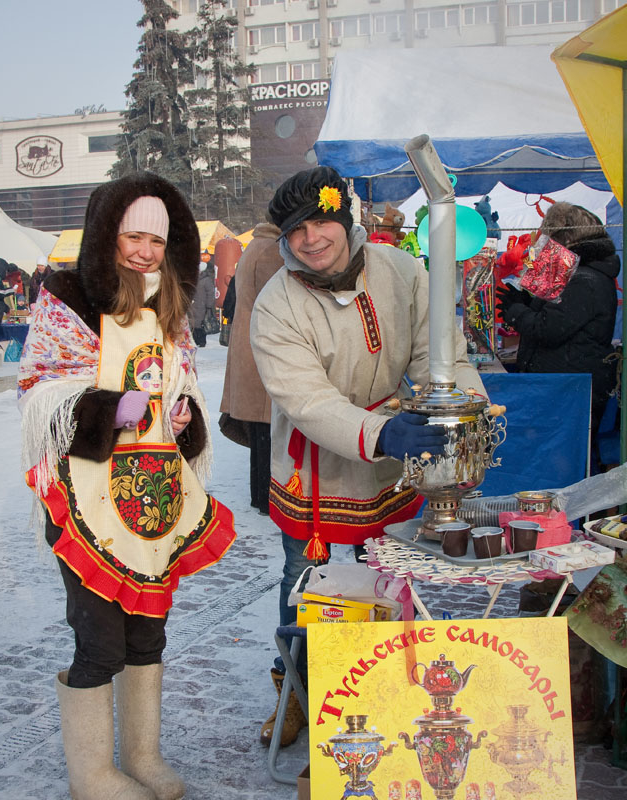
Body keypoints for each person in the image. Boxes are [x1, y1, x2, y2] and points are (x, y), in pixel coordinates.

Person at [17, 173, 236, 800]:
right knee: (100, 640)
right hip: (85, 502)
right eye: (134, 236)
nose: (144, 251)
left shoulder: (170, 304)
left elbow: (183, 385)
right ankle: (93, 771)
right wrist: (107, 408)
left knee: (148, 633)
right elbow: (39, 389)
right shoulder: (68, 298)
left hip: (152, 500)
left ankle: (141, 755)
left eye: (156, 241)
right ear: (109, 233)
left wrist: (183, 419)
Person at [250, 166, 484, 746]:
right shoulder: (275, 305)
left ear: (347, 218)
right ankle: (298, 692)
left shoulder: (402, 270)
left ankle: (386, 682)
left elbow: (443, 353)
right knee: (305, 579)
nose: (311, 239)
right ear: (284, 238)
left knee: (391, 571)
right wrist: (385, 434)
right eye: (297, 230)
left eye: (322, 221)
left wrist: (466, 413)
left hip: (395, 449)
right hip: (319, 463)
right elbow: (307, 400)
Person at [497, 202, 619, 471]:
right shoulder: (575, 271)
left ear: (563, 239)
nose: (543, 242)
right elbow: (545, 309)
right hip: (563, 383)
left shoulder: (585, 279)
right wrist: (523, 300)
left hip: (569, 388)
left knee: (565, 461)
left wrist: (514, 310)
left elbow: (548, 329)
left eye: (548, 236)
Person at [220, 220, 283, 516]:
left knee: (261, 431)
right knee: (268, 430)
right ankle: (267, 497)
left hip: (247, 344)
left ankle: (260, 495)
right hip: (260, 347)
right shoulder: (271, 250)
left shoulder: (255, 246)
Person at [188, 261, 213, 347]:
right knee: (193, 323)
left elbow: (210, 293)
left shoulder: (206, 280)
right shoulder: (194, 278)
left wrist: (209, 306)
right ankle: (196, 340)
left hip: (202, 305)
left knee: (199, 323)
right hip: (194, 304)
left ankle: (201, 340)